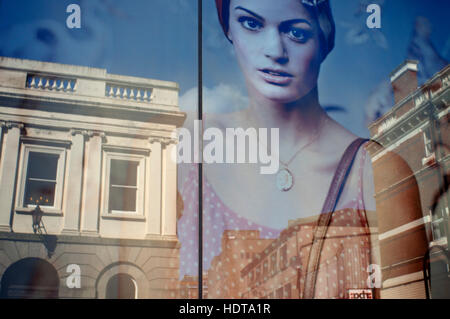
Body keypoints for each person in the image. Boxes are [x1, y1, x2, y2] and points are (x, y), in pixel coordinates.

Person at [178, 0, 379, 299]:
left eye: (296, 33)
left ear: (324, 39)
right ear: (229, 29)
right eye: (251, 24)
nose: (275, 50)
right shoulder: (189, 149)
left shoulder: (372, 168)